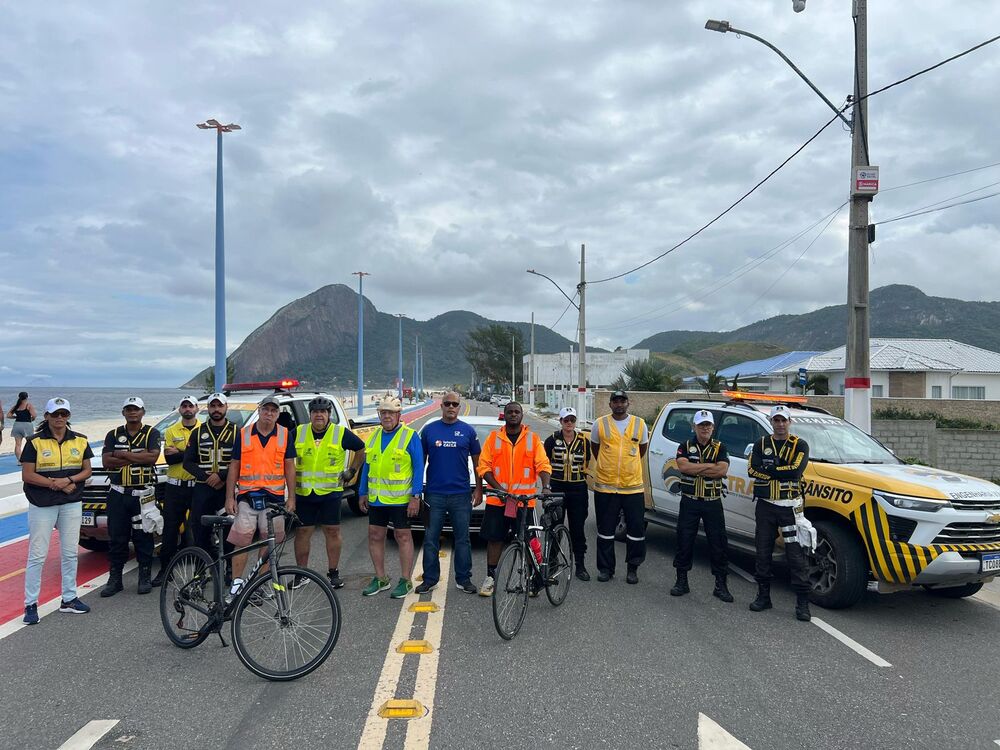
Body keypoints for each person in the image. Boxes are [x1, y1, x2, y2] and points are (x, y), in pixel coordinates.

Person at [21, 398, 94, 624]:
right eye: (55, 414)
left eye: (63, 414)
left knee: (70, 552)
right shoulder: (34, 442)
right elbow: (28, 475)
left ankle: (69, 599)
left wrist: (69, 479)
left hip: (71, 503)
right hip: (42, 504)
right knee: (37, 555)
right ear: (47, 416)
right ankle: (30, 605)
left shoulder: (81, 441)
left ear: (68, 416)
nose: (59, 418)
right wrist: (55, 483)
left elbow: (87, 470)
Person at [476, 401, 551, 597]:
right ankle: (490, 578)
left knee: (530, 540)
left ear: (522, 416)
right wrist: (500, 489)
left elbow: (543, 465)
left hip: (525, 502)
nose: (513, 415)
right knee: (494, 539)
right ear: (504, 415)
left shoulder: (532, 440)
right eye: (510, 412)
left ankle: (533, 578)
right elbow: (484, 467)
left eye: (517, 412)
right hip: (498, 501)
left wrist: (547, 486)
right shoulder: (494, 438)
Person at [225, 396, 296, 600]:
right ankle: (237, 583)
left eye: (274, 410)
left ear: (278, 413)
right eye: (266, 409)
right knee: (242, 539)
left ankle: (260, 583)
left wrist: (292, 498)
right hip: (247, 496)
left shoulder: (284, 435)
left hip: (274, 497)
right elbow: (234, 466)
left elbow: (290, 466)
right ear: (260, 410)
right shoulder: (244, 434)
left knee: (270, 541)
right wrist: (229, 497)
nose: (270, 413)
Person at [291, 396, 366, 590]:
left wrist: (352, 470)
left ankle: (333, 573)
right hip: (304, 493)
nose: (319, 415)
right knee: (302, 533)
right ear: (310, 415)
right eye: (315, 412)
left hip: (330, 493)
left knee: (332, 532)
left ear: (329, 415)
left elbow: (361, 449)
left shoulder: (339, 433)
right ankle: (302, 574)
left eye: (323, 412)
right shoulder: (298, 432)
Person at [747, 404, 812, 621]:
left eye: (784, 420)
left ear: (789, 422)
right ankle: (763, 596)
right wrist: (779, 469)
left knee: (796, 554)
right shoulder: (761, 443)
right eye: (776, 420)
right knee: (762, 551)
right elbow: (751, 469)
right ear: (771, 422)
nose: (780, 424)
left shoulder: (800, 444)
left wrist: (769, 468)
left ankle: (802, 603)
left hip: (790, 507)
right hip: (765, 506)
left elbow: (796, 471)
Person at [416, 391, 482, 595]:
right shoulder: (429, 430)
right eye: (447, 403)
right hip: (434, 494)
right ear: (441, 406)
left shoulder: (468, 432)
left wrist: (478, 489)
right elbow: (420, 462)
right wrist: (417, 491)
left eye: (455, 404)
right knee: (430, 538)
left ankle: (464, 579)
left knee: (462, 539)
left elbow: (477, 463)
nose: (451, 407)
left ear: (459, 407)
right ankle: (429, 579)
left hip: (461, 495)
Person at [358, 395, 423, 599]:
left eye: (390, 413)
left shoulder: (410, 436)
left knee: (402, 536)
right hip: (377, 499)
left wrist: (415, 496)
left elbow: (418, 467)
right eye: (383, 413)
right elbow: (367, 466)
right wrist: (362, 492)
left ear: (398, 415)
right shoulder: (374, 436)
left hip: (401, 500)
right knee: (375, 536)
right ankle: (381, 578)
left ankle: (405, 580)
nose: (386, 416)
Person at [100, 396, 161, 597]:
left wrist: (123, 455)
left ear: (143, 412)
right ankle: (115, 578)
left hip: (143, 495)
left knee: (144, 535)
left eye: (136, 409)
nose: (132, 412)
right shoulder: (113, 434)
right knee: (117, 536)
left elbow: (152, 457)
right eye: (128, 409)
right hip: (118, 493)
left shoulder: (152, 433)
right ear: (123, 412)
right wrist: (137, 457)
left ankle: (144, 576)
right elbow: (107, 461)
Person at [669, 410, 733, 602]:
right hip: (690, 501)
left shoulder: (721, 447)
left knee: (718, 543)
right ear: (694, 427)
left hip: (712, 502)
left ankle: (720, 585)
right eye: (701, 425)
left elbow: (722, 470)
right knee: (684, 540)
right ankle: (682, 581)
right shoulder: (685, 446)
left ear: (713, 427)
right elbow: (683, 467)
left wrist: (697, 469)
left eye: (708, 425)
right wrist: (709, 468)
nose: (705, 428)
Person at [591, 390, 648, 585]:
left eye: (622, 400)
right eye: (615, 401)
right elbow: (595, 448)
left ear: (628, 403)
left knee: (636, 531)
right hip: (606, 488)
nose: (619, 404)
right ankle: (606, 569)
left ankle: (633, 569)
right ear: (610, 404)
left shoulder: (640, 424)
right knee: (605, 531)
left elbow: (642, 449)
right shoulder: (600, 424)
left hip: (632, 488)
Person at [183, 393, 238, 561]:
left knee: (230, 530)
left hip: (226, 490)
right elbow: (188, 462)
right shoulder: (197, 432)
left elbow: (242, 461)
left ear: (226, 407)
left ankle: (229, 569)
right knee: (199, 530)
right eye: (213, 406)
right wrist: (207, 477)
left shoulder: (237, 432)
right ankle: (203, 570)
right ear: (207, 409)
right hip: (202, 488)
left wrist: (221, 476)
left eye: (220, 406)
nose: (216, 409)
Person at [151, 395, 199, 587]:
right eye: (184, 406)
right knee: (170, 531)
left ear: (196, 409)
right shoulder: (171, 430)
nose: (187, 409)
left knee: (198, 530)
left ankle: (200, 573)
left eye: (190, 406)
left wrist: (180, 453)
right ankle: (165, 571)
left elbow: (202, 458)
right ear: (179, 410)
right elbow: (170, 459)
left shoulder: (203, 429)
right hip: (175, 487)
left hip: (197, 487)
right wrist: (191, 454)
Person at [543, 406, 592, 581]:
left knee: (578, 528)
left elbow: (587, 461)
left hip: (578, 489)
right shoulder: (551, 440)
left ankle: (580, 564)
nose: (569, 423)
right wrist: (546, 487)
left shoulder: (584, 441)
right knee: (555, 527)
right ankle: (552, 562)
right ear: (561, 421)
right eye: (566, 420)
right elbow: (544, 465)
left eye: (572, 420)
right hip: (557, 488)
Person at [8, 391, 37, 462]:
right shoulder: (28, 405)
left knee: (18, 445)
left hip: (17, 425)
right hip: (27, 425)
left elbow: (8, 415)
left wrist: (16, 417)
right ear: (27, 397)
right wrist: (31, 419)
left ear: (19, 397)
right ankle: (31, 459)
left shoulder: (16, 406)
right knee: (31, 443)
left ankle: (19, 460)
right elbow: (34, 415)